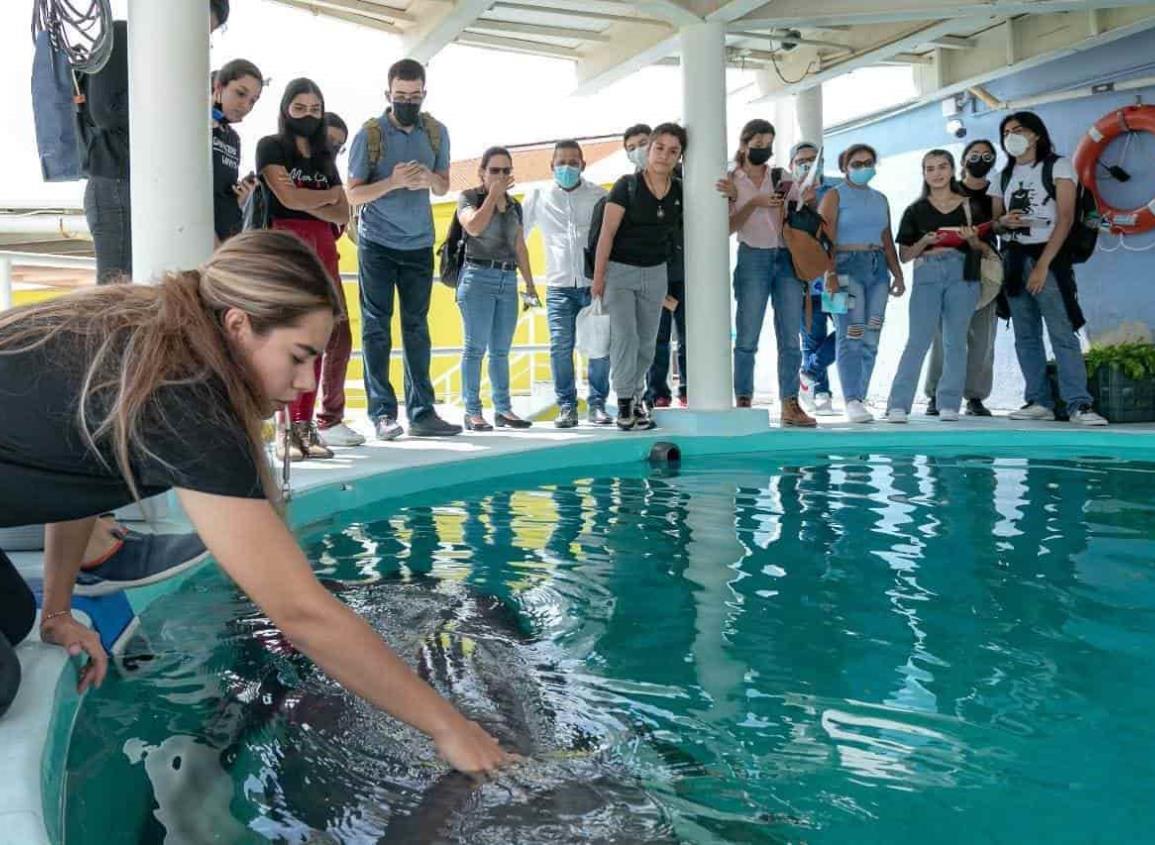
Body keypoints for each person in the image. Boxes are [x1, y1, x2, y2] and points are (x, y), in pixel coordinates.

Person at [0, 231, 511, 774]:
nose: (305, 383)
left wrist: (55, 611)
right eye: (298, 356)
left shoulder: (156, 343)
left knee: (14, 616)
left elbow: (78, 473)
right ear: (238, 324)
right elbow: (299, 613)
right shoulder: (182, 392)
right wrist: (451, 728)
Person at [347, 59, 461, 440]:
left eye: (414, 96)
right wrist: (392, 182)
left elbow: (444, 187)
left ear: (424, 94)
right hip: (377, 242)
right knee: (376, 328)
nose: (407, 102)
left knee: (417, 328)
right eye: (400, 96)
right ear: (388, 95)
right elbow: (353, 192)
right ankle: (382, 413)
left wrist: (430, 179)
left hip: (418, 243)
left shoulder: (437, 133)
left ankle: (422, 411)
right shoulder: (371, 135)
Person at [78, 1, 229, 283]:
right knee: (118, 293)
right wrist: (172, 106)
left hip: (147, 185)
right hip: (115, 181)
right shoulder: (122, 35)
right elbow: (105, 112)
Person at [257, 78, 357, 458]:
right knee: (289, 334)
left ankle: (306, 425)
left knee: (320, 333)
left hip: (324, 247)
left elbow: (342, 211)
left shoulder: (324, 154)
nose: (308, 116)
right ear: (286, 109)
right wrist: (325, 197)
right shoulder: (271, 146)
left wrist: (310, 200)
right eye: (300, 108)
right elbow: (285, 196)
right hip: (287, 243)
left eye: (315, 109)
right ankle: (284, 428)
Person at [989, 111, 1107, 426]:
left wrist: (1043, 265)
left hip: (1048, 259)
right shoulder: (1003, 175)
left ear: (1036, 134)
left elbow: (1066, 218)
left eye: (1018, 129)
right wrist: (1004, 222)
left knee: (1062, 332)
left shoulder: (1058, 165)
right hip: (1014, 261)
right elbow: (996, 223)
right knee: (1025, 335)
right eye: (1006, 131)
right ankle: (1038, 400)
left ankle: (1079, 404)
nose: (1011, 135)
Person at [715, 120, 815, 426]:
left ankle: (790, 403)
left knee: (790, 336)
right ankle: (743, 400)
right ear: (745, 144)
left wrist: (798, 201)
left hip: (786, 257)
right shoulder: (730, 179)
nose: (763, 149)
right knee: (747, 334)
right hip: (752, 258)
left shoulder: (780, 176)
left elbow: (798, 215)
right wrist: (751, 203)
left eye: (768, 143)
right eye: (758, 142)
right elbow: (727, 229)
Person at [885, 149, 996, 423]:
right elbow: (905, 255)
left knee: (956, 341)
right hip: (928, 275)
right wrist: (925, 241)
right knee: (918, 340)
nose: (937, 173)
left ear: (952, 170)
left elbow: (983, 248)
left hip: (963, 273)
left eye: (942, 166)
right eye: (930, 168)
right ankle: (898, 404)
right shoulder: (914, 210)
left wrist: (970, 239)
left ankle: (949, 404)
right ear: (924, 174)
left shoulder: (971, 206)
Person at [591, 123, 686, 432]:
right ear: (650, 148)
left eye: (673, 151)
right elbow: (607, 233)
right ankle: (624, 403)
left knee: (647, 342)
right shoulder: (626, 185)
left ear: (679, 155)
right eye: (659, 148)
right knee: (625, 337)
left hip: (655, 272)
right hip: (619, 271)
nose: (664, 155)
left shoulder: (681, 190)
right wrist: (598, 278)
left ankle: (638, 398)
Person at [522, 140, 612, 428]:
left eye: (573, 162)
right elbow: (517, 238)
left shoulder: (600, 196)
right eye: (561, 162)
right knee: (560, 346)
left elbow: (610, 238)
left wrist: (604, 278)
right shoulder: (537, 196)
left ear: (583, 165)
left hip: (594, 284)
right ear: (551, 166)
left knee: (599, 346)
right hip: (558, 286)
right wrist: (524, 281)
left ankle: (597, 404)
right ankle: (566, 406)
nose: (567, 167)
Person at [818, 144, 905, 423]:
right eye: (856, 163)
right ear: (844, 167)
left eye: (868, 163)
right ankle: (851, 399)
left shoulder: (880, 198)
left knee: (871, 334)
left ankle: (860, 397)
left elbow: (887, 239)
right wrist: (829, 274)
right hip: (844, 268)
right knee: (851, 332)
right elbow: (824, 239)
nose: (863, 168)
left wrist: (898, 274)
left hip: (877, 267)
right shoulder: (834, 196)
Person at [454, 147, 539, 431]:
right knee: (475, 347)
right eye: (494, 170)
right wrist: (492, 196)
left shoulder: (515, 205)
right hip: (477, 275)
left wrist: (529, 284)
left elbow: (519, 245)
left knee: (501, 350)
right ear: (482, 172)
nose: (501, 176)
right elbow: (474, 227)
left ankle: (503, 409)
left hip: (506, 278)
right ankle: (472, 411)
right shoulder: (469, 197)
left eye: (506, 171)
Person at [923, 139, 1000, 417]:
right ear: (964, 159)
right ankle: (935, 393)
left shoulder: (996, 196)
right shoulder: (948, 191)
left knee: (982, 337)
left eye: (987, 155)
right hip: (949, 268)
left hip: (985, 271)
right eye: (975, 154)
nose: (980, 159)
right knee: (944, 336)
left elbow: (999, 227)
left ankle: (975, 396)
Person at [790, 142, 839, 417]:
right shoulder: (787, 196)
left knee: (851, 329)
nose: (807, 164)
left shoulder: (834, 191)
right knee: (812, 336)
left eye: (812, 159)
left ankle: (807, 372)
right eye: (801, 160)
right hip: (804, 279)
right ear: (792, 165)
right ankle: (821, 393)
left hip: (836, 274)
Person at [211, 58, 263, 244]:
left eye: (253, 101)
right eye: (240, 93)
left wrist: (241, 198)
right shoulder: (197, 127)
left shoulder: (233, 138)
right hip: (200, 236)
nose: (245, 106)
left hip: (229, 233)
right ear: (219, 87)